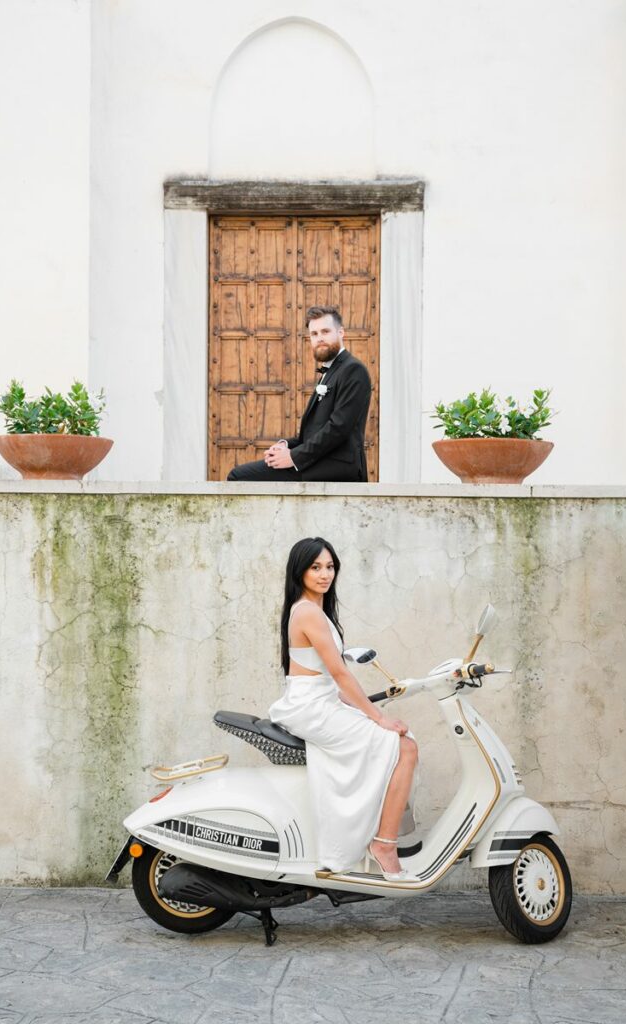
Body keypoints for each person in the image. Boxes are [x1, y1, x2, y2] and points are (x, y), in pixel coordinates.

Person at [268, 537, 419, 878]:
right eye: (315, 567)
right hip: (312, 707)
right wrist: (378, 717)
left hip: (319, 701)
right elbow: (338, 673)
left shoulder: (314, 611)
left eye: (330, 567)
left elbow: (330, 681)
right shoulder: (307, 612)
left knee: (404, 743)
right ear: (300, 571)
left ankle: (379, 837)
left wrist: (367, 708)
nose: (325, 574)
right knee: (405, 748)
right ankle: (383, 844)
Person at [227, 306, 371, 482]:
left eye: (325, 331)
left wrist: (293, 457)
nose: (319, 338)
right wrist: (285, 446)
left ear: (341, 333)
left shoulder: (353, 369)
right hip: (318, 460)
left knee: (238, 477)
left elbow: (338, 429)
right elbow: (311, 434)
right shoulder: (331, 371)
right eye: (314, 334)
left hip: (337, 464)